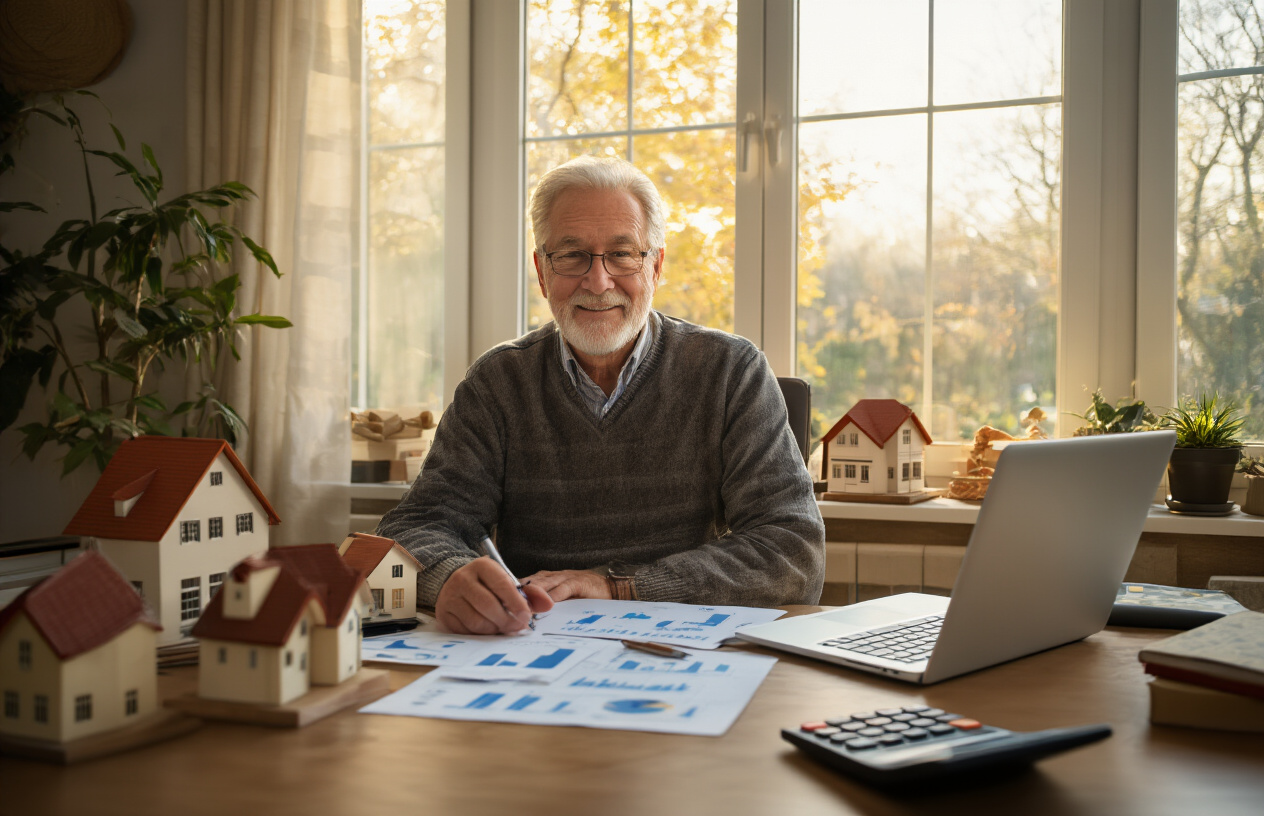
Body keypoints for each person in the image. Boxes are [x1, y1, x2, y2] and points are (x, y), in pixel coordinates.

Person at [376, 156, 825, 635]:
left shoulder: (730, 371)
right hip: (531, 645)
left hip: (683, 646)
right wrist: (449, 577)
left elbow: (793, 553)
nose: (598, 281)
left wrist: (619, 587)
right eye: (572, 255)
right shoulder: (497, 382)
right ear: (542, 271)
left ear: (656, 266)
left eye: (622, 254)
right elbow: (414, 526)